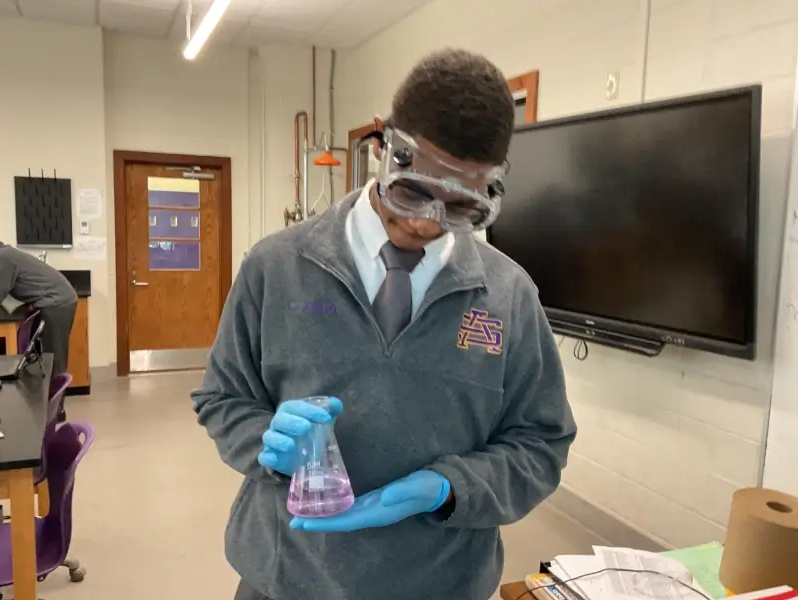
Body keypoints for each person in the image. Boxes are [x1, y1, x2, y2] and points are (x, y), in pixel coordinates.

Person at [192, 48, 577, 600]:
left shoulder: (508, 296)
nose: (426, 221)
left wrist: (450, 488)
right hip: (286, 574)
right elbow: (222, 398)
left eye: (459, 207)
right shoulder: (276, 267)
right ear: (384, 148)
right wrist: (264, 442)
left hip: (440, 581)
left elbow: (541, 442)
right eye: (414, 190)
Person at [0, 242, 77, 376]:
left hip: (57, 302)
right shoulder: (7, 254)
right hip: (56, 299)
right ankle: (44, 394)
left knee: (52, 358)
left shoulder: (3, 257)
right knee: (41, 358)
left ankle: (55, 396)